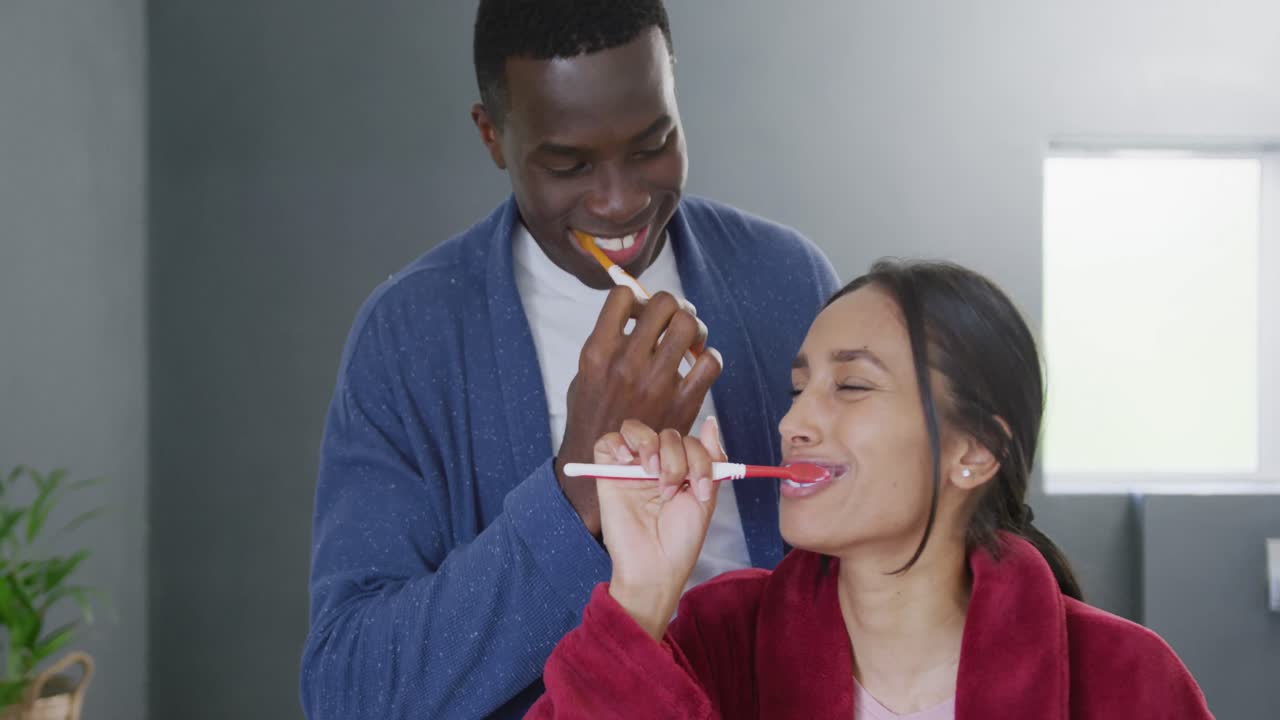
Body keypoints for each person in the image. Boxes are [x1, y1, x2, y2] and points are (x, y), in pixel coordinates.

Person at [299, 1, 839, 718]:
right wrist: (578, 481)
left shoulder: (785, 279)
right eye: (569, 164)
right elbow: (349, 690)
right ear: (493, 136)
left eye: (652, 145)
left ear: (672, 86)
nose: (620, 203)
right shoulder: (411, 336)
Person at [528, 260, 1213, 719]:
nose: (793, 422)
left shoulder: (1130, 680)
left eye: (851, 386)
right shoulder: (713, 641)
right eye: (798, 390)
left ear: (975, 452)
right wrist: (640, 594)